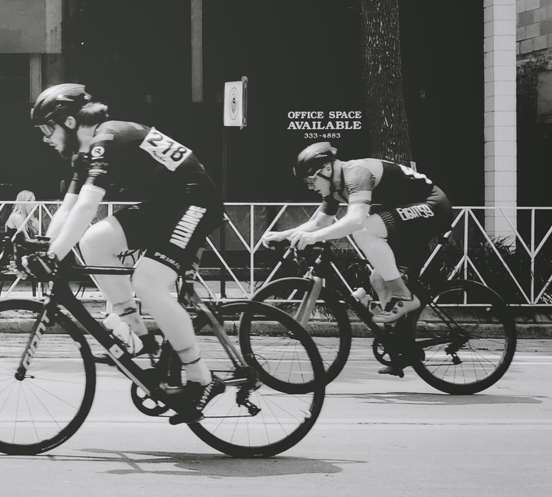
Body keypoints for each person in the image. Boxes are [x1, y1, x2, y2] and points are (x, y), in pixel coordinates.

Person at [27, 83, 225, 421]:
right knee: (93, 242)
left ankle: (201, 379)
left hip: (195, 202)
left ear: (70, 123)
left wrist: (53, 257)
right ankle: (139, 333)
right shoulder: (87, 150)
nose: (45, 138)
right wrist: (44, 247)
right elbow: (68, 208)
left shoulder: (107, 138)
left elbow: (89, 206)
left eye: (48, 128)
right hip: (164, 204)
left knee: (149, 284)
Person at [261, 141, 452, 374]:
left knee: (364, 229)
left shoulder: (356, 174)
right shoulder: (334, 187)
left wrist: (312, 238)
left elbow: (355, 220)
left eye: (311, 180)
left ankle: (404, 295)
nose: (310, 187)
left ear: (328, 169)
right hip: (407, 216)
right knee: (378, 280)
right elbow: (320, 222)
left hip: (432, 206)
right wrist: (284, 234)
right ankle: (400, 347)